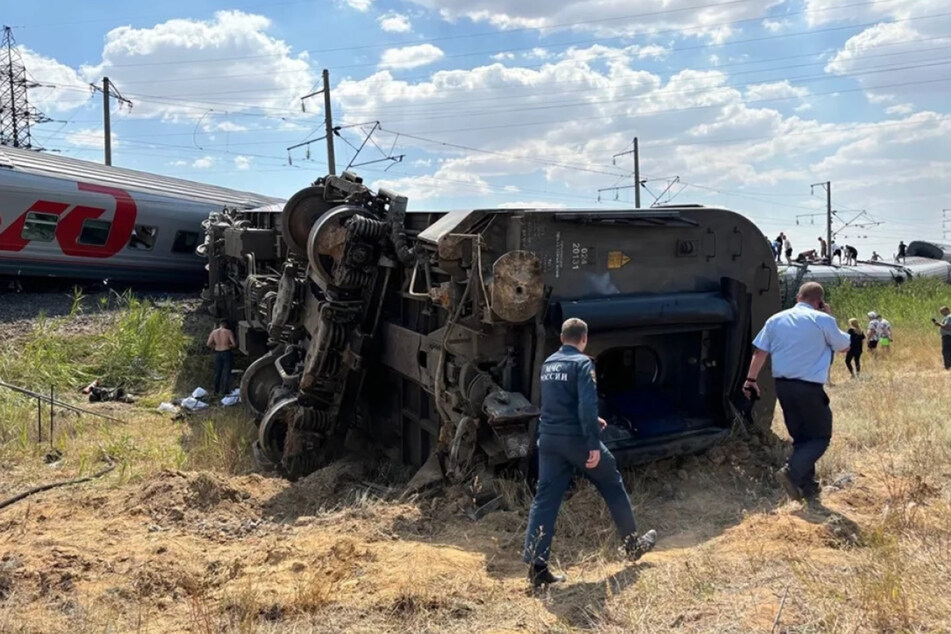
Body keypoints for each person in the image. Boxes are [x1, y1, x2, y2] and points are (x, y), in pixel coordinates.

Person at [523, 318, 657, 588]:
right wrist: (593, 443)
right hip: (576, 441)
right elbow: (586, 404)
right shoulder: (583, 363)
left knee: (545, 499)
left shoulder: (549, 364)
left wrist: (591, 421)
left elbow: (555, 402)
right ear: (583, 339)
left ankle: (537, 567)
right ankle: (633, 545)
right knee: (612, 484)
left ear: (562, 338)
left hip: (549, 439)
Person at [743, 282, 850, 506]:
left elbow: (760, 352)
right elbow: (844, 346)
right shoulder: (823, 320)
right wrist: (830, 317)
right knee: (821, 436)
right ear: (819, 301)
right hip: (809, 387)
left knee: (802, 437)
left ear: (798, 297)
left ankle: (807, 487)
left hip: (783, 386)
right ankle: (792, 473)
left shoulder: (776, 319)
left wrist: (751, 379)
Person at [207, 320, 236, 395]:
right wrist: (228, 345)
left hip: (217, 353)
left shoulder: (214, 332)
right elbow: (234, 344)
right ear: (226, 324)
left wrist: (215, 346)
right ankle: (225, 391)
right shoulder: (228, 332)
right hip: (226, 352)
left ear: (219, 324)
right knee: (226, 372)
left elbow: (208, 344)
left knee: (217, 372)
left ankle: (216, 390)